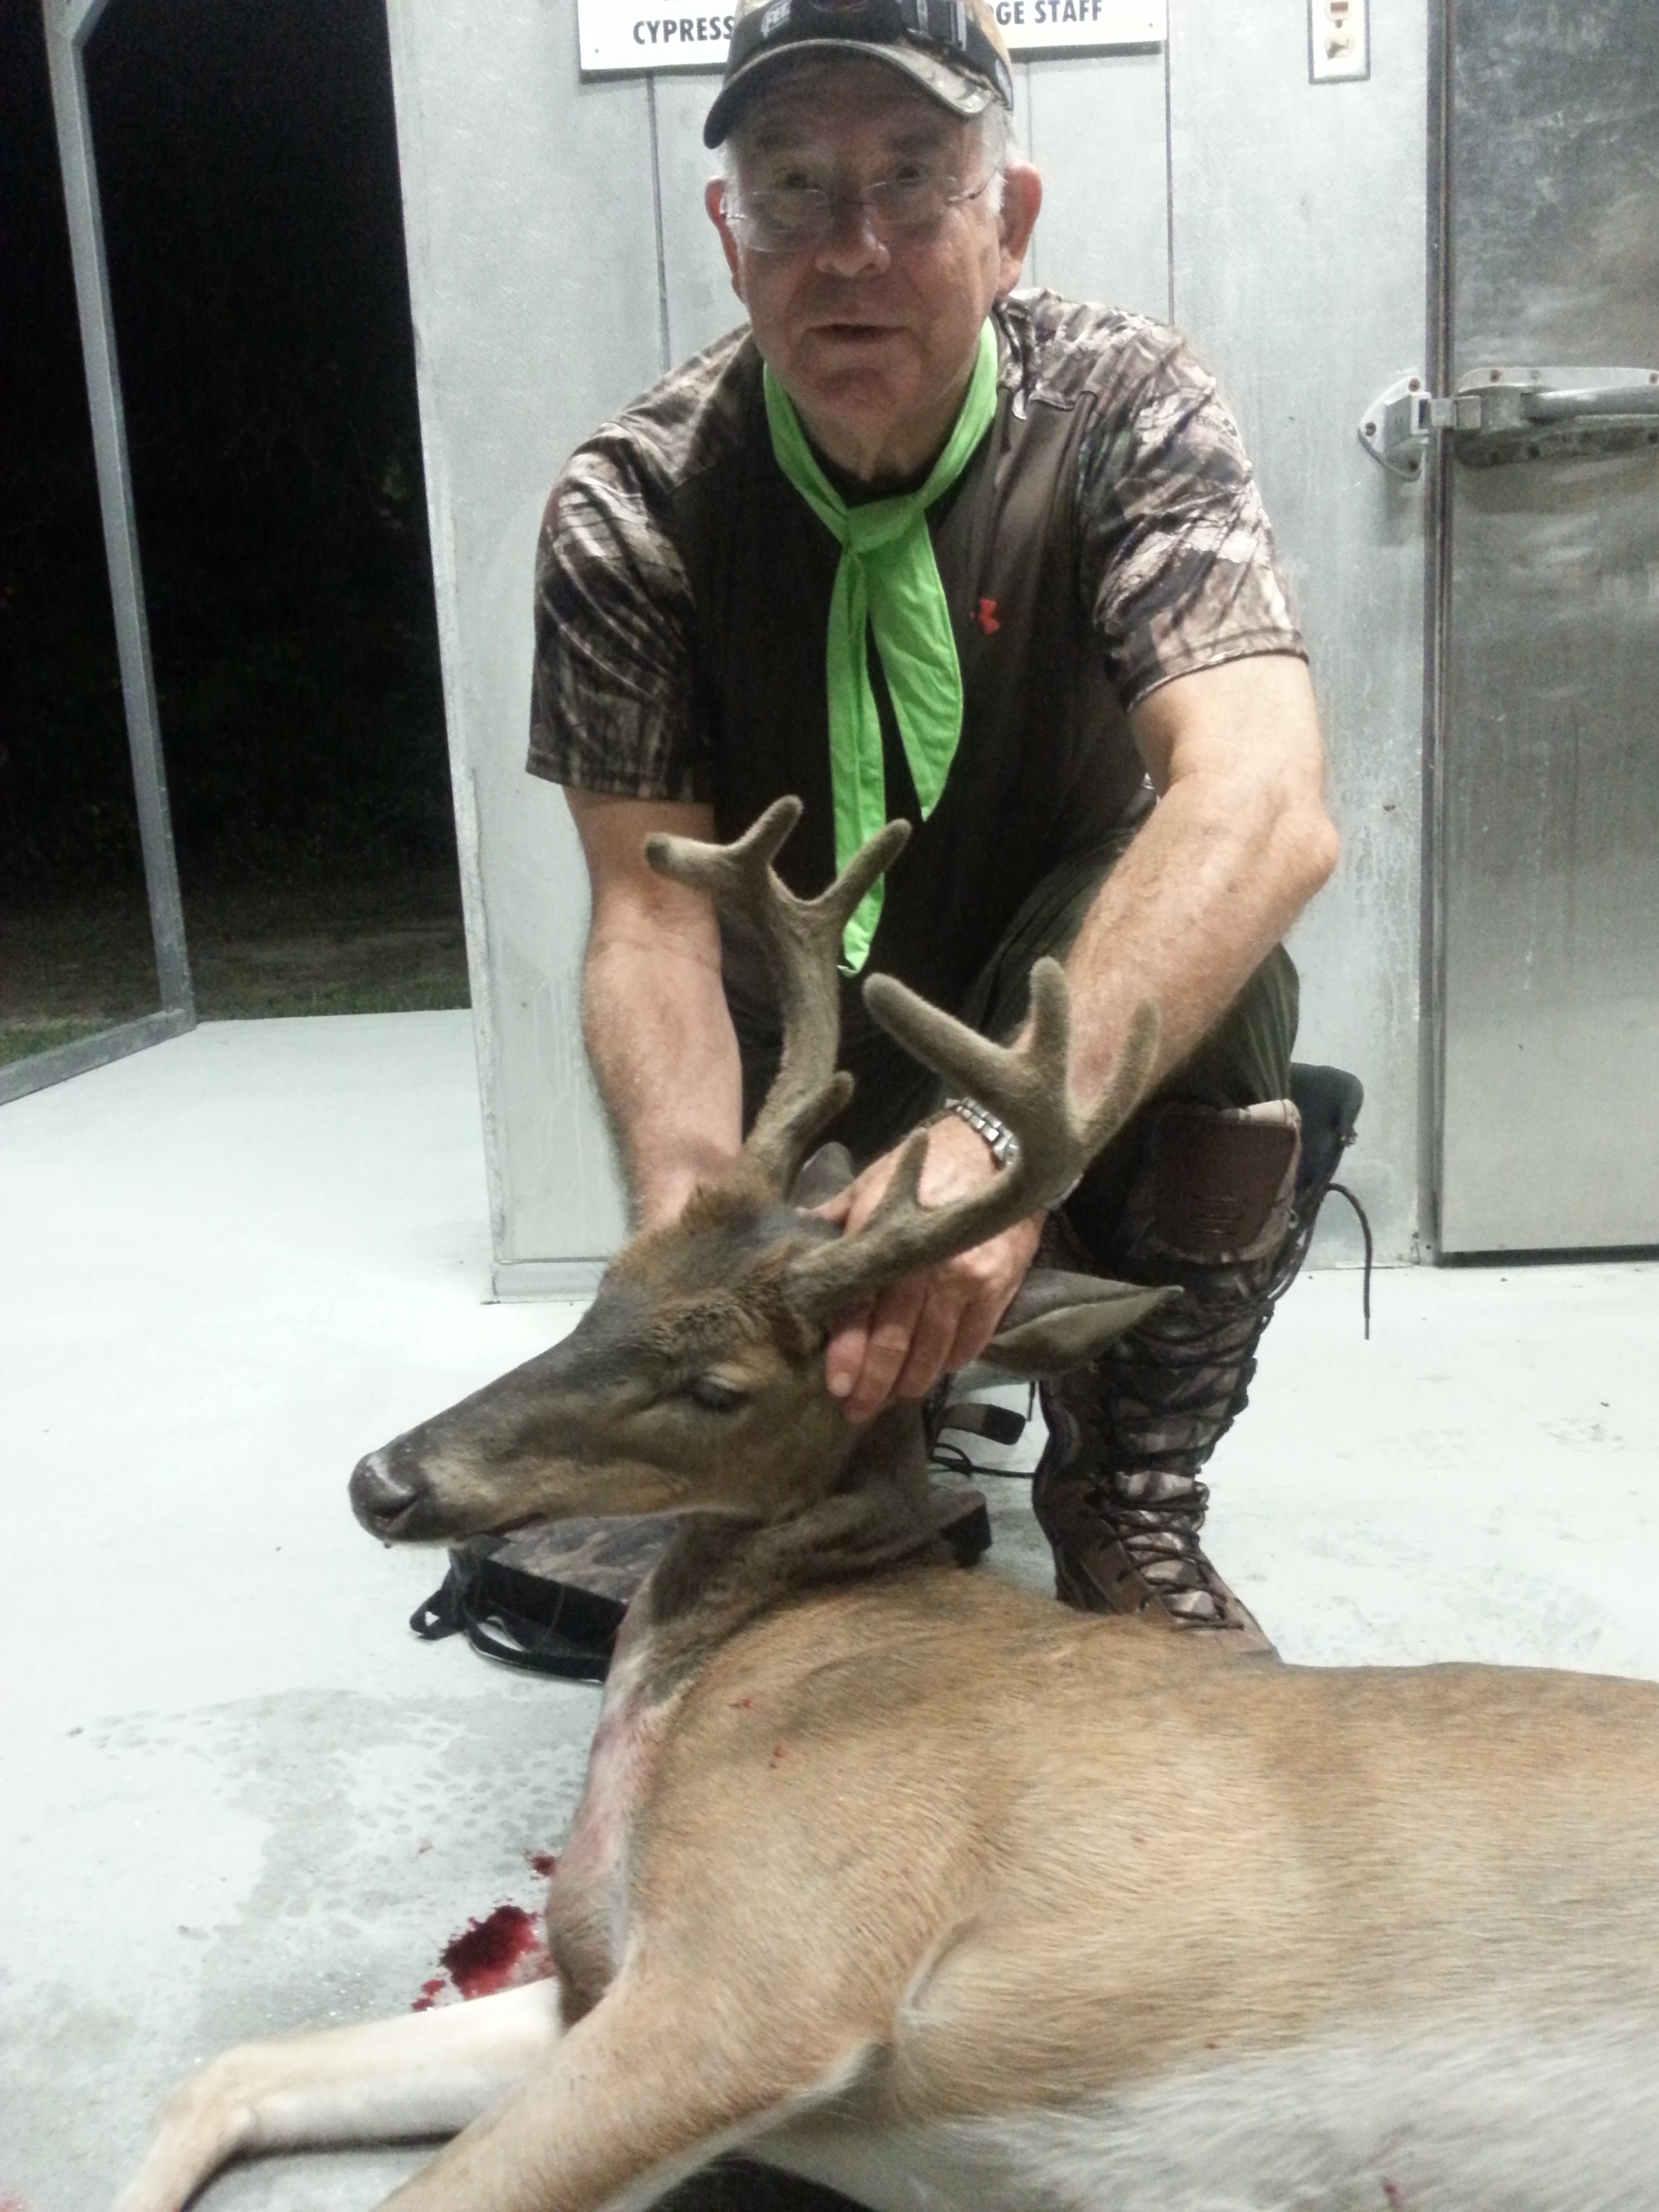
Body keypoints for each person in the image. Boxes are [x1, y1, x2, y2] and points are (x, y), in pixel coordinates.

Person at [528, 0, 1340, 1650]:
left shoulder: (1129, 412)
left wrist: (999, 1150)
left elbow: (1264, 799)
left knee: (1236, 984)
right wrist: (700, 1250)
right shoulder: (635, 504)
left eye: (914, 179)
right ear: (731, 235)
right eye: (796, 189)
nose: (854, 251)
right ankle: (824, 1433)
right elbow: (653, 917)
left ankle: (1129, 1491)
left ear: (1009, 220)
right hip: (802, 1078)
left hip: (1046, 1037)